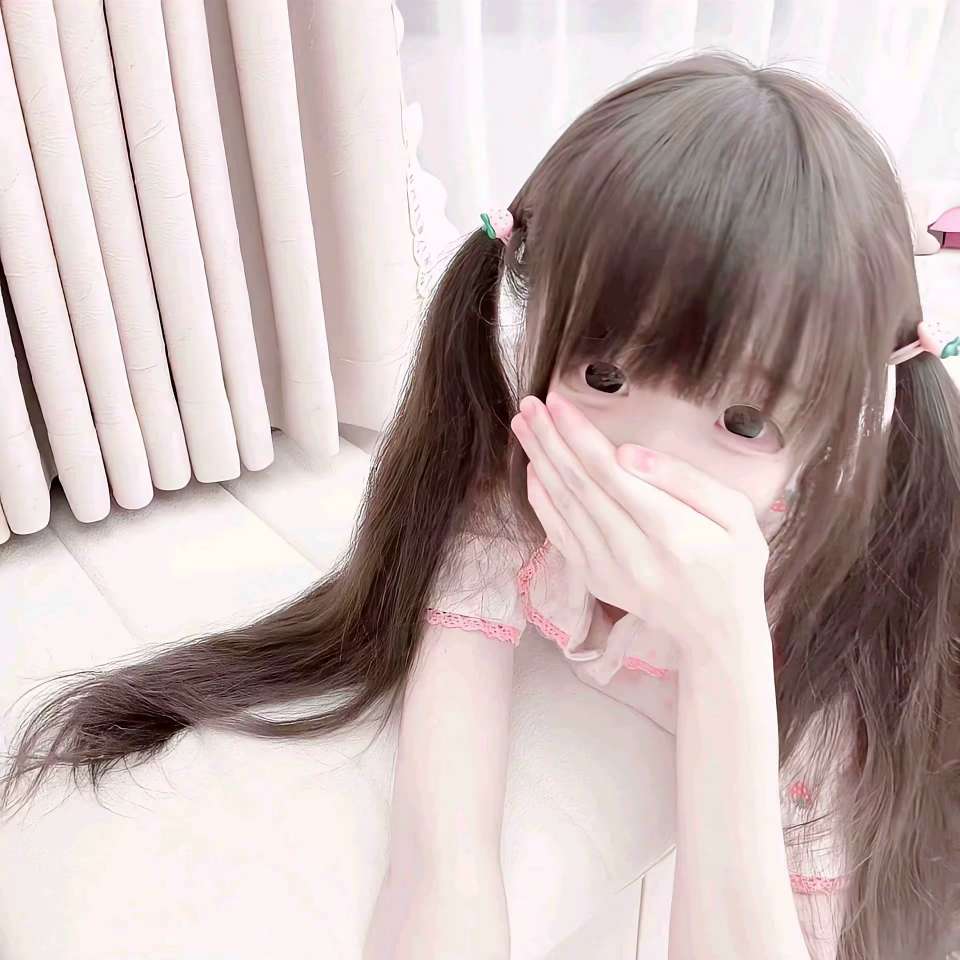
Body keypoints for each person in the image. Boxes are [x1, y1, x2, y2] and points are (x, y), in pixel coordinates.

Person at [3, 50, 960, 959]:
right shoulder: (514, 486)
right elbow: (443, 858)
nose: (641, 464)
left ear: (830, 434)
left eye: (744, 421)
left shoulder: (838, 634)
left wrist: (725, 644)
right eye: (605, 374)